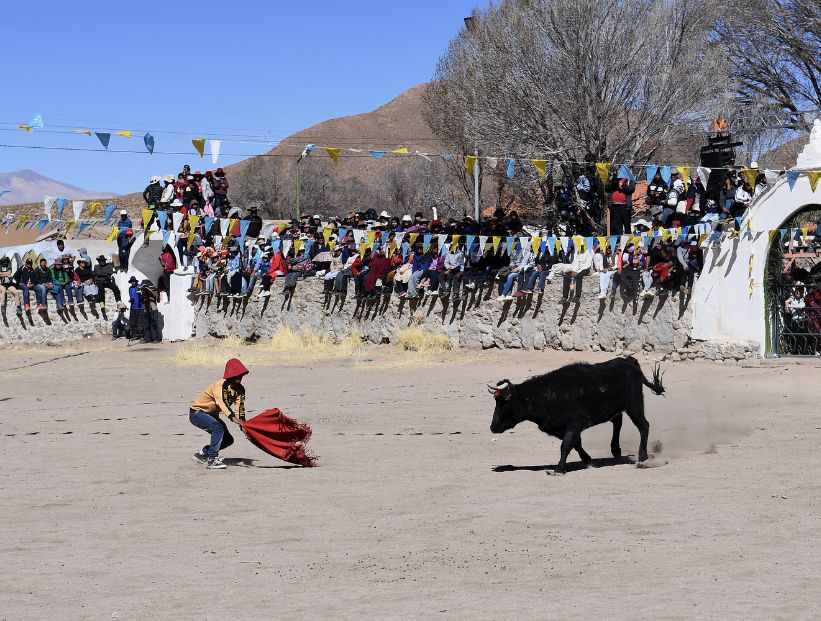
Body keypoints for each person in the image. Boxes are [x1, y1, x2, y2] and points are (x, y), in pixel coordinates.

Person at [189, 358, 248, 469]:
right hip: (197, 413)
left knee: (228, 440)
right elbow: (222, 403)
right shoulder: (220, 386)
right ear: (231, 375)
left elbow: (240, 408)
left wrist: (244, 425)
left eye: (241, 375)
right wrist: (233, 419)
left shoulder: (240, 390)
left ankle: (203, 454)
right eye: (237, 375)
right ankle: (212, 460)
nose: (240, 378)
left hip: (210, 415)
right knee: (218, 428)